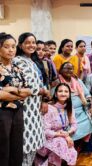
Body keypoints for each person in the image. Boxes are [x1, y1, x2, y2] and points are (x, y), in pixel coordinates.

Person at [14, 32, 49, 166]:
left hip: (35, 109)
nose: (31, 45)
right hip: (26, 109)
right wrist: (44, 92)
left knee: (33, 145)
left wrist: (44, 97)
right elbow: (30, 86)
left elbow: (41, 82)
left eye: (33, 42)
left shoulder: (32, 61)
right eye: (27, 42)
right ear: (21, 45)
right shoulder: (18, 60)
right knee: (25, 145)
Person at [0, 33, 31, 166]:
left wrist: (11, 90)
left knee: (16, 146)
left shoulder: (17, 69)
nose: (11, 50)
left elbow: (28, 91)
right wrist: (19, 93)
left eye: (13, 46)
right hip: (2, 112)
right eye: (7, 47)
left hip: (18, 111)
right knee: (3, 146)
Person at [57, 62, 92, 152]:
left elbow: (87, 94)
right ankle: (76, 143)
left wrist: (90, 104)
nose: (69, 70)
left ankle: (84, 142)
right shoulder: (57, 81)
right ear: (61, 70)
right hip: (67, 111)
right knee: (74, 126)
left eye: (71, 68)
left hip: (82, 110)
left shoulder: (77, 80)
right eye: (66, 68)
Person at [36, 83, 77, 166]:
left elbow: (74, 125)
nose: (63, 93)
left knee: (63, 143)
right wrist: (62, 135)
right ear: (55, 94)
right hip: (46, 140)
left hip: (62, 137)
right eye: (60, 91)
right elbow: (45, 131)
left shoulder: (69, 108)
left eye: (66, 91)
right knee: (60, 142)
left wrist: (68, 133)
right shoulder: (49, 108)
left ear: (69, 95)